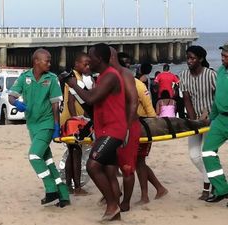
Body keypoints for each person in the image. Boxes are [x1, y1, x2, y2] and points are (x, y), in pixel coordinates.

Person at [66, 43, 128, 221]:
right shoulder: (101, 77)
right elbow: (93, 104)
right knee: (109, 171)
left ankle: (112, 205)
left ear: (99, 59)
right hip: (104, 129)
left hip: (114, 130)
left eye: (90, 58)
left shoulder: (110, 76)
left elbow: (91, 98)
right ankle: (114, 211)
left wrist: (73, 84)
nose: (88, 61)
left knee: (92, 166)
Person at [8, 48, 70, 208]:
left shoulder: (52, 78)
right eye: (47, 61)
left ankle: (51, 190)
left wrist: (56, 125)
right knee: (47, 160)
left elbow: (55, 104)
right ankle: (64, 195)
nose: (50, 63)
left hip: (47, 123)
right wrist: (16, 103)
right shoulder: (24, 77)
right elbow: (11, 96)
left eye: (50, 60)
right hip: (32, 125)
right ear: (36, 61)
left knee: (34, 156)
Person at [180, 45, 217, 200]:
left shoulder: (211, 75)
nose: (189, 61)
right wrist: (194, 121)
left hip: (212, 120)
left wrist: (210, 116)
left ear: (201, 59)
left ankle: (206, 188)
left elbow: (219, 97)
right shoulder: (184, 75)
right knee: (194, 155)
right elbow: (187, 100)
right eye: (188, 58)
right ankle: (214, 180)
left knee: (208, 154)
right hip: (195, 121)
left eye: (193, 58)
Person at [110, 47, 140, 212]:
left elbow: (133, 102)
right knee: (108, 164)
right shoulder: (105, 76)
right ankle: (114, 195)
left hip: (127, 125)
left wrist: (127, 128)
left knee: (127, 167)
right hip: (111, 125)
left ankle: (126, 202)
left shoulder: (125, 75)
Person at [60, 52, 92, 195]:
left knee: (72, 152)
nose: (87, 67)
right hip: (72, 121)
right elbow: (70, 101)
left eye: (89, 64)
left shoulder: (80, 77)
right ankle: (76, 187)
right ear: (76, 64)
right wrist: (76, 120)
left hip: (75, 120)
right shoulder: (73, 78)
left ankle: (69, 185)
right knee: (76, 152)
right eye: (85, 64)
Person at [202, 42, 228, 206]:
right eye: (222, 55)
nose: (223, 58)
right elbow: (217, 98)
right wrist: (211, 117)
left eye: (226, 56)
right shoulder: (220, 71)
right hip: (220, 119)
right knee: (207, 152)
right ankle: (222, 189)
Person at [135, 78, 168, 204]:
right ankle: (160, 188)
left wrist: (151, 131)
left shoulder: (139, 86)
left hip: (143, 127)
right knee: (136, 162)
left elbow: (150, 111)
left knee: (139, 161)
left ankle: (145, 196)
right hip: (130, 127)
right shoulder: (117, 83)